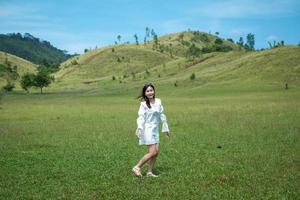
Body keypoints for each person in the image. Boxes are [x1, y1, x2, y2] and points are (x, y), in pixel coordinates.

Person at [132, 83, 171, 177]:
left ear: (154, 91)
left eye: (151, 90)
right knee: (152, 152)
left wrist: (166, 129)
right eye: (147, 91)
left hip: (155, 129)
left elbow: (162, 115)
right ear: (145, 93)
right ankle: (137, 167)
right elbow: (141, 117)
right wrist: (139, 128)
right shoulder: (143, 105)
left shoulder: (158, 101)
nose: (150, 92)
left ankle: (149, 172)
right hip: (147, 130)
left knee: (156, 153)